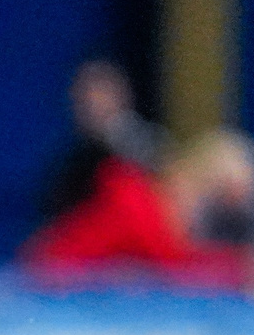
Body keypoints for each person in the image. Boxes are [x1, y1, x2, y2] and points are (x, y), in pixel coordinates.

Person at [23, 128, 254, 294]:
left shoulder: (162, 212)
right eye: (223, 199)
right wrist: (241, 268)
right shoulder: (135, 207)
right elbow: (172, 264)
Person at [35, 59, 164, 224]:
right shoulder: (67, 172)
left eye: (102, 93)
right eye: (85, 96)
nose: (93, 104)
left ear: (124, 96)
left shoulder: (152, 150)